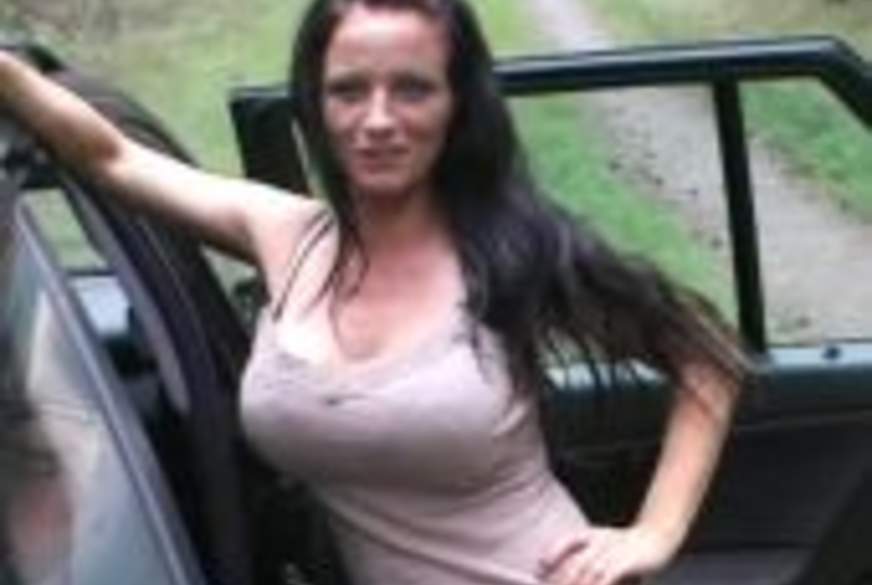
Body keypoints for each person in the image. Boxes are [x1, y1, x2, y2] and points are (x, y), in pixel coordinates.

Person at [0, 0, 749, 583]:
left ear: (457, 105)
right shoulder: (285, 236)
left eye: (413, 89)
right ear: (316, 104)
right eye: (349, 90)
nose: (378, 120)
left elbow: (707, 357)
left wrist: (653, 533)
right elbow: (111, 156)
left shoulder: (514, 252)